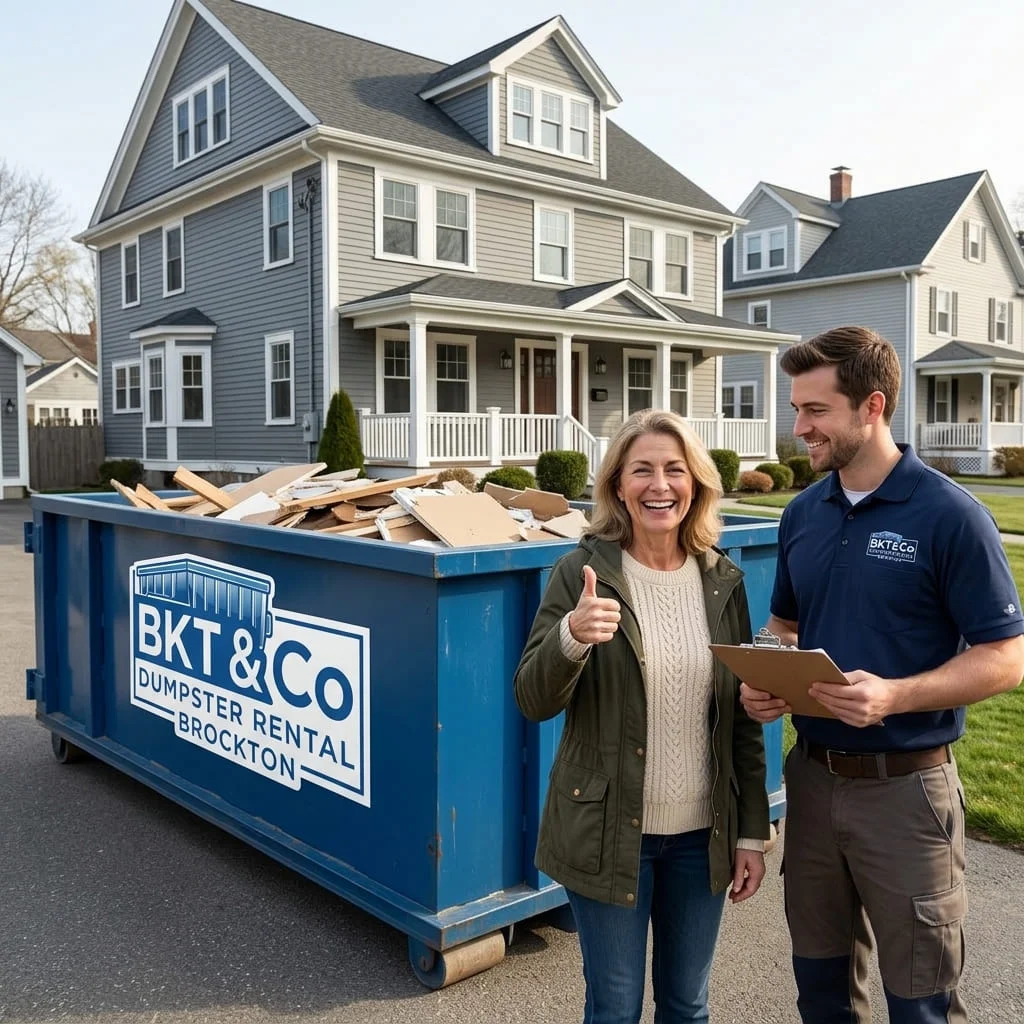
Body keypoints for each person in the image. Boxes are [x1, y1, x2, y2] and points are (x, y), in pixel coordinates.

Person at [740, 326, 1024, 1023]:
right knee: (822, 991)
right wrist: (764, 672)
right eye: (797, 408)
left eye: (815, 411)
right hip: (812, 780)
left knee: (920, 1000)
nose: (798, 426)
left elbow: (1006, 659)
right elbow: (785, 626)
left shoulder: (952, 516)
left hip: (907, 792)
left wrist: (895, 695)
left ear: (872, 406)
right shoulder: (804, 513)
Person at [514, 408, 770, 1024]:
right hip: (606, 829)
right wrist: (571, 638)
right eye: (642, 471)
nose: (660, 485)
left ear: (697, 483)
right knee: (616, 1007)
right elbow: (532, 698)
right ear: (617, 486)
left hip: (699, 836)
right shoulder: (582, 572)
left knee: (688, 1004)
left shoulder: (721, 580)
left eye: (674, 470)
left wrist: (752, 832)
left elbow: (741, 720)